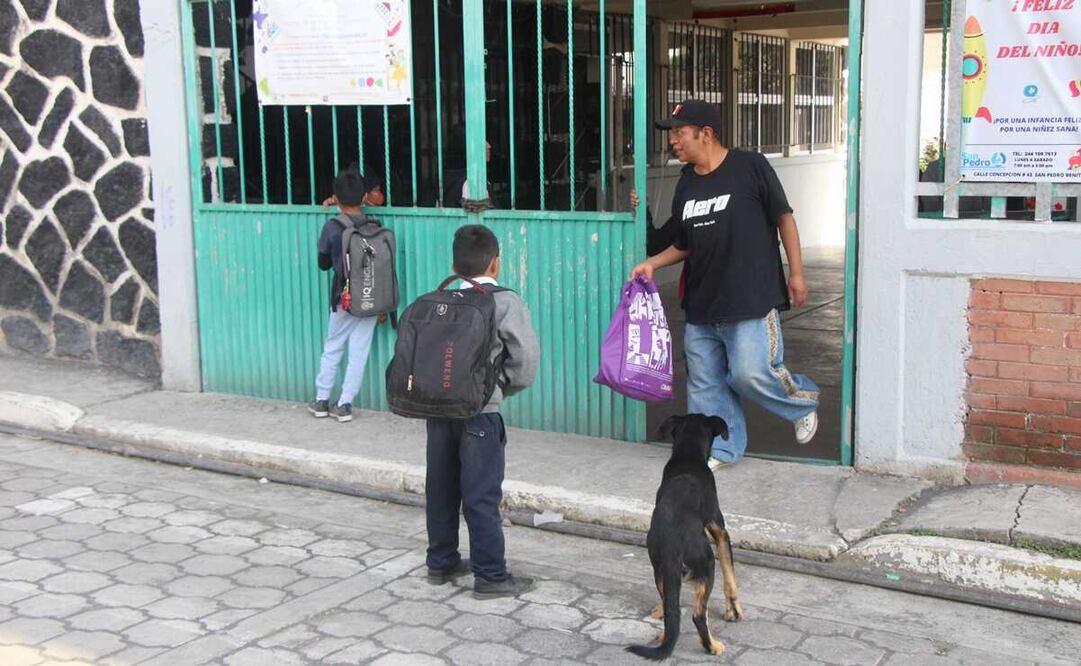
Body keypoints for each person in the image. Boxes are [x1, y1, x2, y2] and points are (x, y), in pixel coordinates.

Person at [630, 99, 819, 468]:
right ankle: (724, 447)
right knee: (704, 383)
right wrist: (651, 262)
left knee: (749, 374)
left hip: (750, 296)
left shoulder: (751, 166)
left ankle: (801, 402)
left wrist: (796, 273)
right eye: (672, 134)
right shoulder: (686, 183)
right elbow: (682, 244)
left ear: (706, 133)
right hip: (703, 301)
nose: (674, 141)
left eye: (680, 133)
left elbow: (785, 219)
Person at [424, 225, 541, 599]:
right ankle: (490, 576)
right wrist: (500, 389)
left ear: (454, 265)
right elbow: (526, 361)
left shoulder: (438, 298)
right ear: (495, 264)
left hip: (439, 413)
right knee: (481, 495)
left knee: (440, 489)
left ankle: (441, 563)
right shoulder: (504, 302)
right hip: (480, 413)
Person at [308, 168, 385, 423]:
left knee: (333, 347)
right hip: (371, 299)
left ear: (336, 199)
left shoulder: (332, 227)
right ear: (364, 197)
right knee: (359, 351)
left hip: (344, 300)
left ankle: (321, 400)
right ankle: (344, 405)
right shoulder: (375, 226)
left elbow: (322, 264)